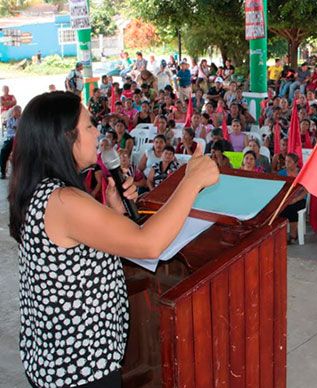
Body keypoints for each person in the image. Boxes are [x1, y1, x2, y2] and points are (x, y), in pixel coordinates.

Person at [9, 91, 219, 387]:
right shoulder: (63, 200)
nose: (98, 134)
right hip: (78, 368)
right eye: (89, 126)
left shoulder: (44, 191)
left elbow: (78, 252)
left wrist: (114, 213)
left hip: (58, 358)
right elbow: (148, 243)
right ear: (64, 137)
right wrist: (192, 180)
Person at [277, 154, 306, 243]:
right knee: (282, 208)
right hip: (285, 198)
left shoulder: (302, 174)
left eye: (289, 161)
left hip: (299, 199)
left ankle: (293, 234)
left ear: (296, 163)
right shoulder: (281, 173)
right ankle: (283, 234)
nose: (287, 163)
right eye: (286, 161)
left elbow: (306, 191)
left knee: (292, 208)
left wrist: (295, 199)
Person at [1, 105, 20, 179]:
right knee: (3, 151)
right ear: (13, 112)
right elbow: (12, 128)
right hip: (11, 138)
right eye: (17, 111)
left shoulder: (21, 119)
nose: (18, 112)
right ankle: (3, 172)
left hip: (19, 139)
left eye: (19, 111)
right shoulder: (9, 120)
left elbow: (18, 128)